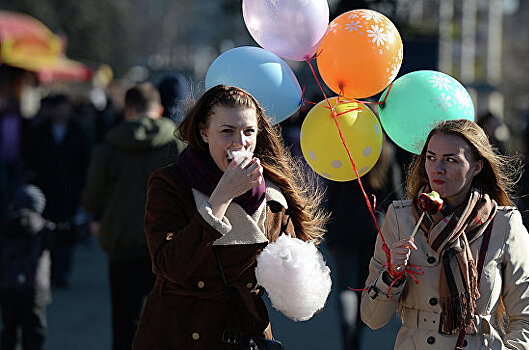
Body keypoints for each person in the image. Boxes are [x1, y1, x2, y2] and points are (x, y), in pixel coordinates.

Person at [132, 85, 328, 349]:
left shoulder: (273, 194)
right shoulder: (170, 183)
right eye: (227, 131)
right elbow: (170, 265)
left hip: (246, 335)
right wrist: (221, 198)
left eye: (248, 131)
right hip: (180, 331)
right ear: (204, 132)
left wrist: (296, 271)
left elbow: (294, 282)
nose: (240, 142)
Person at [360, 119, 529, 349]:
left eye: (450, 159)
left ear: (477, 166)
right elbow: (371, 318)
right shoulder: (400, 218)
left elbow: (528, 317)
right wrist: (391, 275)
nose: (437, 168)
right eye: (431, 157)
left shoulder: (503, 224)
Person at [81, 82, 184, 350]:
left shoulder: (108, 146)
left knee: (124, 323)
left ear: (127, 109)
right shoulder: (176, 144)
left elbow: (93, 196)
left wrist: (96, 219)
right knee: (165, 323)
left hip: (121, 244)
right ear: (160, 108)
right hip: (166, 245)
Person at [325, 139, 403, 350]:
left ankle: (349, 336)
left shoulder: (344, 150)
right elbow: (395, 195)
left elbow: (331, 194)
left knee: (346, 285)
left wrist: (328, 229)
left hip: (343, 226)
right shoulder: (386, 151)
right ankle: (358, 332)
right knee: (365, 285)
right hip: (374, 228)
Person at [29, 93, 91, 288]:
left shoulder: (77, 132)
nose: (61, 111)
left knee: (66, 232)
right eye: (58, 107)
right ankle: (48, 271)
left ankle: (62, 273)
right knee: (46, 232)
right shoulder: (40, 132)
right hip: (45, 190)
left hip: (69, 190)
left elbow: (85, 162)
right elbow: (32, 159)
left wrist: (82, 188)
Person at [0, 184, 53, 350]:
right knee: (35, 333)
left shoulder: (5, 227)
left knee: (9, 331)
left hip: (8, 290)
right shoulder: (44, 228)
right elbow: (65, 235)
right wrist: (86, 229)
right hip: (35, 293)